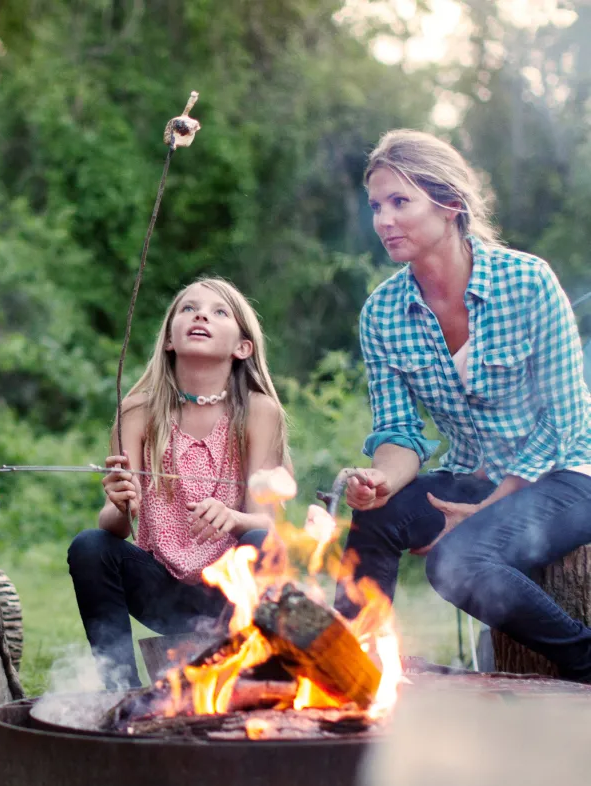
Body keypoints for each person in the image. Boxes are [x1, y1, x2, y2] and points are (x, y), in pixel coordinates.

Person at [338, 129, 591, 683]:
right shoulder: (382, 313)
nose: (383, 220)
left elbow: (568, 419)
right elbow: (399, 431)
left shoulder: (527, 281)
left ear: (450, 205)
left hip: (569, 471)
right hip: (477, 475)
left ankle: (585, 659)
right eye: (377, 205)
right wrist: (380, 479)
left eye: (401, 202)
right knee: (375, 515)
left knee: (458, 563)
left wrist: (492, 506)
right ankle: (350, 668)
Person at [67, 278, 289, 689]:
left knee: (260, 543)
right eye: (188, 309)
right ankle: (120, 690)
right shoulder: (136, 412)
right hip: (161, 589)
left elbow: (266, 524)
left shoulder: (259, 411)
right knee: (90, 546)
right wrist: (118, 504)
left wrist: (233, 517)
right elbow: (116, 527)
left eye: (219, 312)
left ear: (243, 347)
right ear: (169, 339)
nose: (201, 314)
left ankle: (254, 675)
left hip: (229, 592)